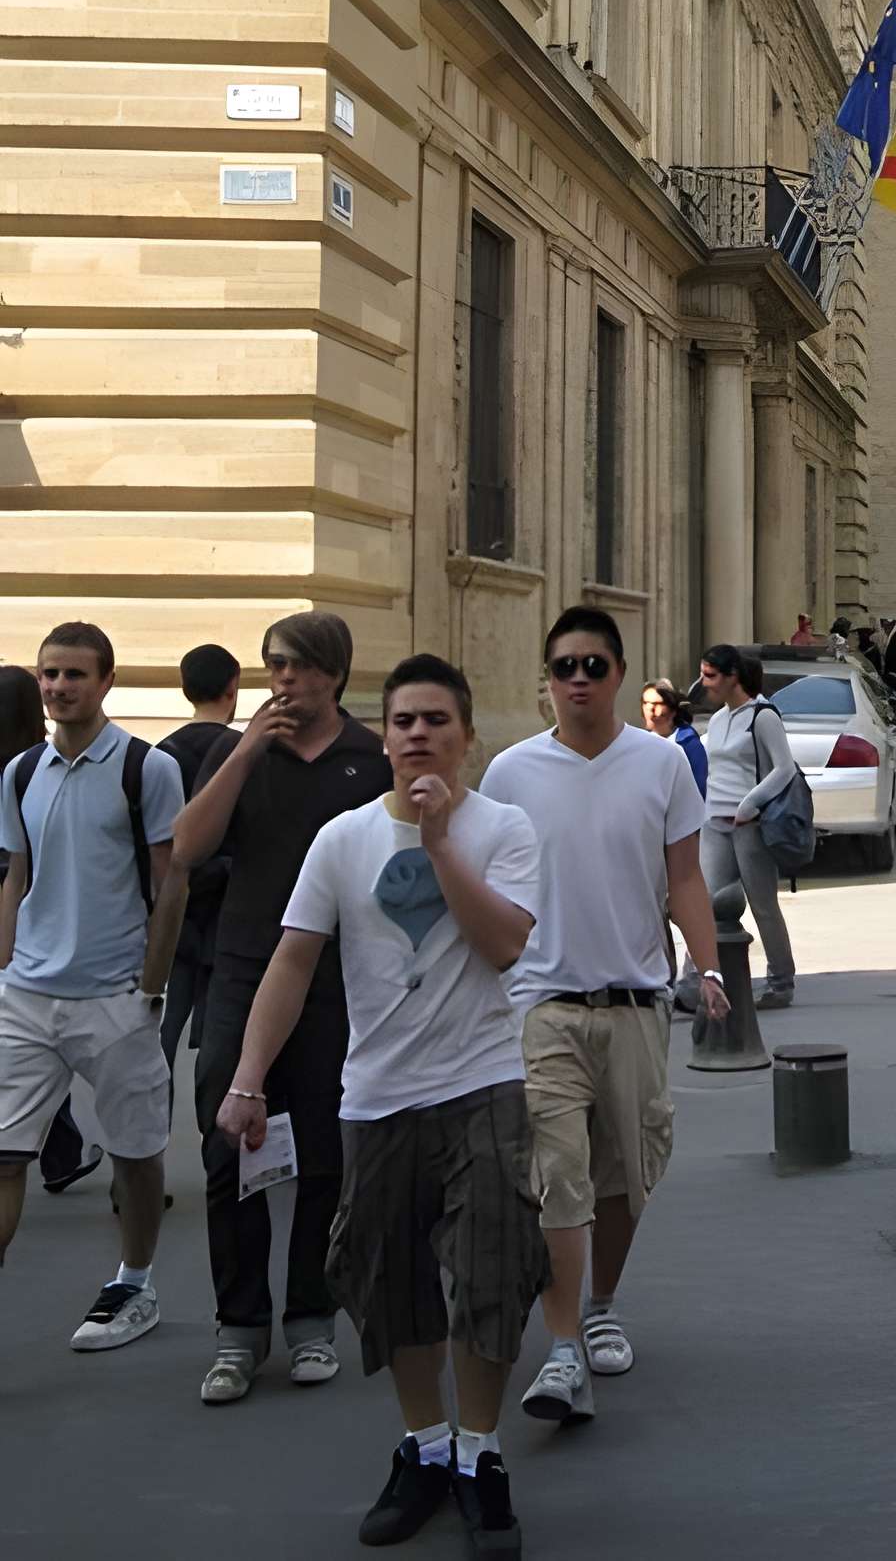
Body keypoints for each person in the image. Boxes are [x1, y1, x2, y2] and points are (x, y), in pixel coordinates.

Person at [218, 656, 544, 1554]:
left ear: (467, 735)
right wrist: (247, 1080)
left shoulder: (504, 828)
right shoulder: (343, 839)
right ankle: (425, 1450)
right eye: (403, 721)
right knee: (392, 1287)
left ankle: (480, 1458)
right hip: (377, 1099)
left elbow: (507, 944)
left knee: (489, 1273)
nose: (418, 736)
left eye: (436, 720)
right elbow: (291, 961)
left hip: (482, 1085)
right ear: (386, 734)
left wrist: (439, 844)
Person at [481, 607, 725, 1431]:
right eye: (563, 668)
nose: (578, 680)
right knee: (559, 1172)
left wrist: (710, 963)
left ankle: (603, 1304)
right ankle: (559, 1350)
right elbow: (489, 892)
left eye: (593, 665)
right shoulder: (510, 773)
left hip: (635, 1002)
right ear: (545, 681)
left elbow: (684, 878)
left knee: (626, 1171)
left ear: (620, 674)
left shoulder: (661, 766)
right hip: (539, 1005)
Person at [168, 611, 390, 1405]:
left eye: (297, 666)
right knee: (227, 1139)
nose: (283, 680)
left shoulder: (372, 757)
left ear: (333, 672)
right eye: (273, 665)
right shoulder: (239, 751)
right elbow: (187, 848)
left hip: (337, 976)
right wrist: (245, 751)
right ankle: (238, 1327)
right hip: (243, 968)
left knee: (325, 1148)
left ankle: (310, 1318)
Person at [0, 622, 184, 1349]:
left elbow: (171, 884)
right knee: (5, 1152)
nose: (58, 687)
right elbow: (15, 877)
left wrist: (151, 985)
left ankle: (135, 1282)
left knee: (138, 1155)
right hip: (27, 995)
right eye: (49, 674)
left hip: (117, 997)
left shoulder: (147, 767)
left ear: (106, 681)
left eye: (75, 675)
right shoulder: (19, 773)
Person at [0, 666, 104, 1197]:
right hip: (32, 925)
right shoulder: (36, 768)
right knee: (41, 1043)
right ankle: (59, 1154)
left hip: (18, 919)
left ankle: (50, 1150)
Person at [682, 644, 797, 1011]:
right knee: (702, 904)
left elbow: (785, 768)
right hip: (714, 823)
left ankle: (781, 982)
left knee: (762, 905)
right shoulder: (717, 719)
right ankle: (690, 986)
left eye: (711, 675)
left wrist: (749, 805)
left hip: (751, 824)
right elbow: (713, 770)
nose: (704, 683)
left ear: (733, 677)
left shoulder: (761, 716)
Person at [154, 644, 241, 1113]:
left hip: (174, 913)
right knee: (221, 1048)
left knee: (159, 1042)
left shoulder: (158, 756)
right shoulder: (242, 754)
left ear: (183, 688)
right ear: (234, 689)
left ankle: (147, 1160)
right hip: (228, 917)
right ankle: (221, 1162)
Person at [640, 678, 707, 800]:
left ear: (673, 710)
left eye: (657, 704)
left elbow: (700, 788)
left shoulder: (688, 742)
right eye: (645, 703)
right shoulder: (641, 742)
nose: (650, 709)